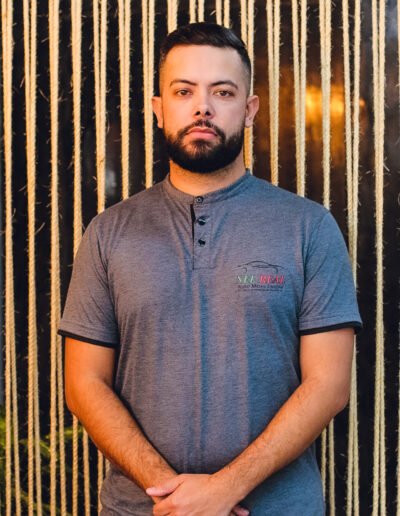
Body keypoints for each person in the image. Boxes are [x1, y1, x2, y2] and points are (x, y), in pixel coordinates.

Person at [58, 22, 363, 516]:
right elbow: (84, 384)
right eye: (184, 91)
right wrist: (175, 495)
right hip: (142, 509)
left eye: (222, 92)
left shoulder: (309, 228)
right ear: (159, 108)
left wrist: (225, 488)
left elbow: (328, 385)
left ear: (250, 110)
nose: (203, 107)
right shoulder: (108, 233)